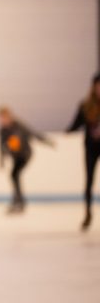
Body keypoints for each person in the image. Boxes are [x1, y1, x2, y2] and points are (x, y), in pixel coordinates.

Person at [0, 106, 53, 214]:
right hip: (15, 157)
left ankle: (19, 201)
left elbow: (33, 133)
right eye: (0, 118)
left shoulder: (19, 125)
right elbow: (1, 146)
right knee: (14, 175)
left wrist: (46, 141)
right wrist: (2, 160)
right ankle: (18, 201)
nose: (2, 121)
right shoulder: (2, 130)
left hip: (25, 155)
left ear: (9, 116)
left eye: (4, 118)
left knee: (14, 175)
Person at [67, 73, 100, 231]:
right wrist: (68, 130)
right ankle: (87, 213)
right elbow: (76, 124)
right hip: (91, 148)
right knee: (89, 181)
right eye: (98, 85)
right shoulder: (86, 106)